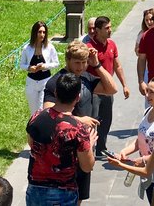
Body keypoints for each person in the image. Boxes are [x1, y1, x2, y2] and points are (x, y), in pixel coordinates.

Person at [43, 40, 117, 203]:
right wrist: (78, 120)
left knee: (80, 194)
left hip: (85, 144)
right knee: (63, 194)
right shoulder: (56, 82)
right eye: (77, 62)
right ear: (67, 60)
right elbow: (48, 114)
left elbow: (112, 89)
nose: (81, 67)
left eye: (84, 62)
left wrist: (96, 65)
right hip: (64, 147)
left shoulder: (87, 78)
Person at [26, 73, 97, 206]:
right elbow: (87, 167)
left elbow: (31, 143)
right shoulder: (78, 129)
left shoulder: (36, 117)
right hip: (62, 192)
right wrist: (90, 145)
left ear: (56, 92)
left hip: (34, 189)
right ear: (78, 97)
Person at [118, 75, 154, 203]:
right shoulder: (147, 111)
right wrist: (125, 151)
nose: (147, 95)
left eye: (152, 92)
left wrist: (143, 159)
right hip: (147, 173)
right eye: (147, 90)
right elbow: (141, 139)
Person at [86, 16, 130, 158]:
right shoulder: (89, 48)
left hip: (108, 89)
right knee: (93, 120)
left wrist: (124, 85)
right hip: (94, 90)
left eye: (110, 27)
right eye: (107, 28)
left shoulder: (112, 45)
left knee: (106, 119)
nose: (110, 30)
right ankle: (88, 149)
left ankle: (101, 148)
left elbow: (117, 66)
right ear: (97, 30)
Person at [20, 21, 59, 116]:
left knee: (43, 109)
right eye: (39, 32)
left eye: (44, 32)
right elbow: (22, 65)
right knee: (33, 111)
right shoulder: (27, 48)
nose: (42, 34)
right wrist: (29, 68)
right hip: (31, 82)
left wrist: (45, 66)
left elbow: (56, 63)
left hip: (45, 82)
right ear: (34, 33)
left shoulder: (50, 47)